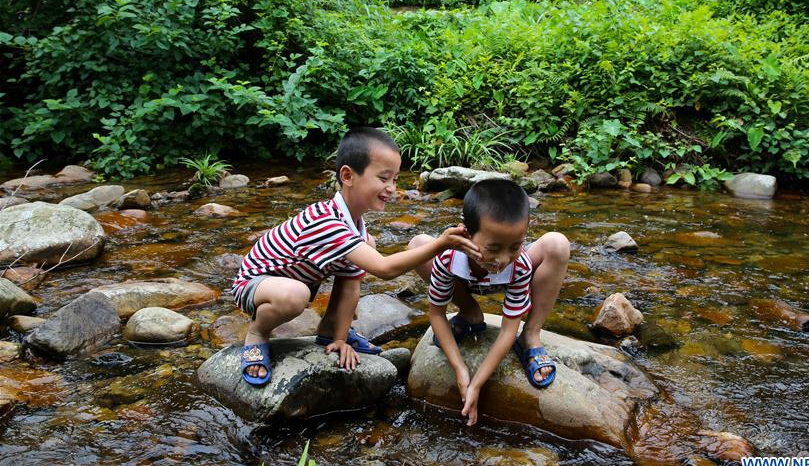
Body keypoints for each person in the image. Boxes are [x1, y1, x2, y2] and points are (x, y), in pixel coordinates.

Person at [231, 127, 481, 386]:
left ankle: (329, 330)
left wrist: (339, 339)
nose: (392, 189)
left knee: (367, 245)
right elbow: (384, 269)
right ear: (348, 176)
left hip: (296, 281)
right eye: (384, 178)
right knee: (295, 296)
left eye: (394, 179)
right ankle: (257, 333)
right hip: (256, 284)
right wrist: (441, 243)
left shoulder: (355, 225)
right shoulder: (326, 223)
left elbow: (350, 284)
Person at [408, 179, 570, 426]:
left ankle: (531, 335)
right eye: (493, 248)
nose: (502, 259)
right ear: (466, 234)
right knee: (418, 246)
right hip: (463, 281)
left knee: (558, 244)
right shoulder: (448, 257)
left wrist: (477, 383)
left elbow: (507, 329)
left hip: (509, 282)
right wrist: (461, 371)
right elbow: (437, 315)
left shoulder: (519, 263)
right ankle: (470, 312)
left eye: (515, 246)